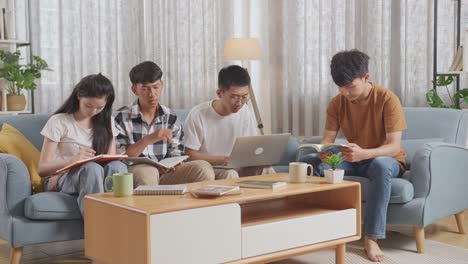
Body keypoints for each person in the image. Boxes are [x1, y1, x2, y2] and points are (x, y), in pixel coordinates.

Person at [308, 49, 407, 262]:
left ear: (366, 77)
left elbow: (394, 146)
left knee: (380, 165)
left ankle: (371, 238)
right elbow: (328, 139)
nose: (345, 92)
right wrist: (323, 151)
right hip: (354, 156)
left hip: (386, 159)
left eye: (350, 86)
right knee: (312, 163)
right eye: (340, 87)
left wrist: (365, 154)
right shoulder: (337, 103)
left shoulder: (387, 100)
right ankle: (319, 228)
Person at [38, 74, 128, 216]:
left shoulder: (107, 121)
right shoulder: (59, 121)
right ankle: (97, 228)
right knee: (90, 168)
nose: (93, 112)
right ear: (79, 96)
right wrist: (73, 160)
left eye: (99, 107)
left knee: (118, 167)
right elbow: (42, 169)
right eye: (88, 105)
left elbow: (110, 160)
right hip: (63, 177)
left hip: (97, 174)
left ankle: (120, 221)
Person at [114, 61, 214, 187]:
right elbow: (123, 156)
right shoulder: (121, 117)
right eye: (145, 89)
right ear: (135, 90)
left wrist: (172, 164)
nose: (152, 94)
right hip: (138, 170)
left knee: (203, 167)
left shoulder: (170, 116)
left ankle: (197, 207)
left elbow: (177, 152)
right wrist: (149, 139)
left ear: (161, 84)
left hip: (167, 171)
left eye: (156, 87)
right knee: (148, 172)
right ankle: (151, 207)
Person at [183, 65, 274, 179]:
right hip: (212, 167)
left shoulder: (245, 111)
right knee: (230, 174)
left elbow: (251, 145)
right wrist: (223, 160)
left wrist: (259, 158)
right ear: (220, 93)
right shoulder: (198, 114)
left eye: (244, 97)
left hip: (239, 165)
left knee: (266, 169)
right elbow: (189, 155)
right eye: (234, 97)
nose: (239, 103)